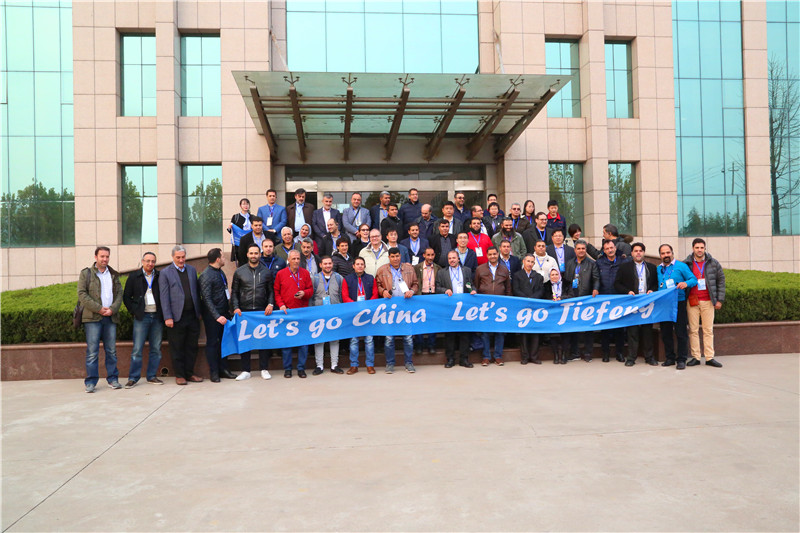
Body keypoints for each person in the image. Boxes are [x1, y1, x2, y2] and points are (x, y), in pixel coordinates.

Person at [79, 246, 123, 392]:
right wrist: (99, 308)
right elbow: (82, 294)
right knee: (92, 352)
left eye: (107, 256)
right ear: (95, 257)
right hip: (93, 318)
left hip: (110, 318)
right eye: (102, 256)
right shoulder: (86, 274)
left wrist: (113, 309)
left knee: (111, 351)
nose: (105, 259)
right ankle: (91, 382)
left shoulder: (113, 275)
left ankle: (113, 379)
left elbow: (119, 294)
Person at [159, 245, 203, 385]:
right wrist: (168, 316)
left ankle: (189, 373)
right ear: (173, 257)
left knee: (192, 346)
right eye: (178, 257)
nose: (181, 260)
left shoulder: (192, 270)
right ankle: (179, 375)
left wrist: (199, 312)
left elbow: (196, 292)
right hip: (176, 317)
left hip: (192, 315)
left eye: (183, 257)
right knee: (177, 347)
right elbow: (164, 297)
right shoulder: (165, 273)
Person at [231, 243, 275, 380]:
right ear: (247, 255)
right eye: (251, 253)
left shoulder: (266, 272)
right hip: (244, 312)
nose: (254, 256)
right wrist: (235, 307)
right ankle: (246, 370)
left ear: (260, 254)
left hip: (262, 311)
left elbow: (271, 291)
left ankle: (264, 369)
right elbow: (234, 292)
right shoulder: (239, 272)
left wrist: (270, 304)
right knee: (245, 341)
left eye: (256, 253)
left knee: (263, 341)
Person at [122, 252, 163, 388]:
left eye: (153, 261)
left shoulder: (159, 276)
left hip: (157, 316)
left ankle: (152, 376)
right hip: (142, 317)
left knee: (156, 349)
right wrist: (134, 311)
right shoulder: (134, 276)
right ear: (142, 261)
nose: (150, 264)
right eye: (148, 261)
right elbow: (126, 297)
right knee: (137, 349)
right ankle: (133, 378)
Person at [375, 248, 419, 374]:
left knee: (408, 337)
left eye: (397, 256)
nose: (395, 259)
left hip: (405, 307)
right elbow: (377, 285)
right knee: (389, 338)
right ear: (389, 257)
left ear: (400, 256)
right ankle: (390, 363)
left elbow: (416, 284)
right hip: (390, 309)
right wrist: (383, 291)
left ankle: (409, 363)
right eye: (393, 256)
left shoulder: (409, 269)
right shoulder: (382, 270)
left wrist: (412, 291)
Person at [614, 242, 658, 366]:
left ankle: (649, 357)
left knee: (647, 331)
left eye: (640, 251)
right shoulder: (624, 267)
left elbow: (656, 283)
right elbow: (617, 284)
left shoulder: (651, 267)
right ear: (632, 253)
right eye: (636, 251)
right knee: (632, 331)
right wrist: (627, 291)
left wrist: (652, 290)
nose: (638, 253)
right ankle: (631, 358)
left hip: (647, 303)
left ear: (644, 252)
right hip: (632, 303)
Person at [684, 238, 726, 368]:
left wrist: (719, 300)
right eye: (697, 248)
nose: (699, 250)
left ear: (705, 248)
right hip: (692, 301)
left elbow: (721, 281)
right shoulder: (686, 264)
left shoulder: (713, 263)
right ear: (693, 249)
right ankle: (696, 357)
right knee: (693, 330)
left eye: (701, 248)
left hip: (708, 301)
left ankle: (709, 357)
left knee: (708, 330)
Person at [198, 248, 236, 383]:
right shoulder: (206, 275)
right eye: (223, 257)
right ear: (218, 259)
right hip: (213, 317)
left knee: (223, 343)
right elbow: (206, 299)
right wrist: (216, 316)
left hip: (224, 314)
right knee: (213, 343)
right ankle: (214, 372)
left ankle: (224, 369)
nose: (225, 259)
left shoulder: (220, 272)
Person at [274, 250, 314, 378]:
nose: (296, 261)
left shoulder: (305, 273)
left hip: (302, 313)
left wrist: (305, 293)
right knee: (287, 343)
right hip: (287, 312)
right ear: (288, 260)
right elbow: (276, 292)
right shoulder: (281, 274)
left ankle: (301, 368)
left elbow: (311, 289)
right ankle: (288, 369)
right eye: (293, 259)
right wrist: (281, 305)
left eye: (298, 258)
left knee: (303, 343)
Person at [657, 243, 697, 370]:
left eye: (668, 252)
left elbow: (694, 279)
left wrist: (686, 283)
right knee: (666, 332)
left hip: (678, 302)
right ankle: (670, 358)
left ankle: (681, 359)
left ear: (672, 253)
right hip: (664, 304)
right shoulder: (658, 268)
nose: (666, 255)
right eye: (663, 253)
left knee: (681, 332)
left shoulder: (681, 266)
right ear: (660, 255)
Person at [436, 250, 476, 368]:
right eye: (449, 258)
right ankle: (450, 359)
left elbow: (471, 284)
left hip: (464, 306)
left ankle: (464, 359)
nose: (452, 260)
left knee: (465, 334)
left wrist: (473, 290)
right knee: (450, 334)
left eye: (454, 258)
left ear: (458, 259)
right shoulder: (441, 272)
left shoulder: (467, 270)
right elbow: (437, 287)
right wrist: (445, 290)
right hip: (449, 307)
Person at [563, 239, 600, 362]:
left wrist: (595, 289)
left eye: (583, 248)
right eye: (578, 248)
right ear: (575, 250)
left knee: (588, 328)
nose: (581, 251)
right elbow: (566, 280)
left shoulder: (592, 263)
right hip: (572, 298)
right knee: (573, 327)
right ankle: (575, 353)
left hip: (586, 298)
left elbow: (596, 279)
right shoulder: (569, 263)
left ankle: (588, 353)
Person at [474, 246, 511, 366]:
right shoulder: (480, 269)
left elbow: (508, 288)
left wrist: (507, 304)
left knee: (499, 331)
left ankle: (498, 356)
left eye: (494, 254)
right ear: (487, 256)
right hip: (485, 306)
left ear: (498, 254)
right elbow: (476, 286)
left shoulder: (504, 269)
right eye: (490, 254)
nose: (492, 256)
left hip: (500, 306)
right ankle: (486, 356)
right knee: (485, 332)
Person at [342, 257, 379, 374]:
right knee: (354, 340)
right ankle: (354, 365)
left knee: (369, 340)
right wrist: (355, 306)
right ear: (353, 266)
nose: (360, 266)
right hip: (354, 313)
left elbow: (375, 294)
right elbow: (344, 296)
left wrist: (367, 305)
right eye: (357, 264)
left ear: (364, 266)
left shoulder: (370, 278)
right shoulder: (347, 279)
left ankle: (370, 365)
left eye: (362, 264)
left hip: (368, 313)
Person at [310, 256, 345, 375]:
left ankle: (334, 365)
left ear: (332, 264)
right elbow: (311, 297)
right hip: (319, 313)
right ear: (320, 265)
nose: (327, 266)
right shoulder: (314, 279)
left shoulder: (339, 278)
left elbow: (342, 295)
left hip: (335, 314)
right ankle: (319, 366)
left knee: (334, 339)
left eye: (329, 263)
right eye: (325, 264)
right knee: (319, 340)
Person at [596, 239, 627, 362]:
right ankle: (606, 353)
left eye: (611, 248)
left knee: (619, 328)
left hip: (619, 299)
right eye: (607, 248)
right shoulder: (599, 263)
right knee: (605, 328)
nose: (610, 250)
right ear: (604, 251)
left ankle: (620, 353)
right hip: (604, 299)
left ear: (615, 248)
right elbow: (596, 278)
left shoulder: (623, 262)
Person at [512, 254, 545, 364]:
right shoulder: (517, 275)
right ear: (523, 261)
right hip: (523, 307)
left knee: (535, 332)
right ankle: (525, 357)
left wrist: (532, 299)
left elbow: (541, 290)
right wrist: (526, 299)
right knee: (524, 333)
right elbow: (516, 290)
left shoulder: (538, 276)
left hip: (535, 307)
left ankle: (534, 356)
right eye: (528, 261)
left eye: (532, 262)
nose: (530, 264)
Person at [413, 247, 440, 355]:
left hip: (433, 296)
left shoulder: (438, 268)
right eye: (428, 255)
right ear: (424, 255)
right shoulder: (417, 267)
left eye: (432, 255)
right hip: (421, 295)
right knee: (419, 321)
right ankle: (419, 345)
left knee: (432, 321)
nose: (430, 257)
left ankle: (431, 345)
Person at [543, 268, 572, 364]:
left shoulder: (567, 283)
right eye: (552, 275)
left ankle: (564, 355)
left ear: (560, 275)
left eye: (556, 274)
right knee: (553, 334)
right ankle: (555, 354)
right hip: (552, 312)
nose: (555, 276)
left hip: (565, 311)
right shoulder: (546, 285)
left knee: (565, 333)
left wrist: (561, 298)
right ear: (549, 276)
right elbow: (543, 298)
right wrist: (551, 299)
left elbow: (571, 295)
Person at [227, 198, 252, 263]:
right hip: (239, 244)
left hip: (250, 243)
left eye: (247, 204)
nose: (246, 206)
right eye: (244, 204)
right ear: (240, 206)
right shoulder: (235, 217)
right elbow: (231, 231)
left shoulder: (252, 217)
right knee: (241, 262)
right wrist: (229, 228)